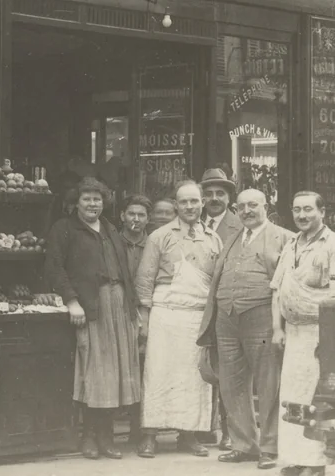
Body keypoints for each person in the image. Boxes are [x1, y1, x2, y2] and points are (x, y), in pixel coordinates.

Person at [45, 177, 140, 460]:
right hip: (91, 305)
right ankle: (89, 436)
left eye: (97, 199)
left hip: (118, 305)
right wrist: (72, 301)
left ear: (104, 202)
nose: (92, 204)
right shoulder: (64, 229)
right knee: (94, 373)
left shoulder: (111, 229)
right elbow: (54, 267)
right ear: (77, 202)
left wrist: (132, 308)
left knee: (115, 375)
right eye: (86, 198)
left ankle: (107, 436)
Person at [198, 188, 294, 470]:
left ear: (266, 206)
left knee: (268, 384)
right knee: (231, 383)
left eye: (253, 205)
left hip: (262, 316)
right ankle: (244, 445)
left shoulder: (284, 237)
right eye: (241, 207)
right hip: (227, 319)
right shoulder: (231, 237)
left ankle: (270, 448)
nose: (247, 211)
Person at [135, 180, 223, 458]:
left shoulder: (212, 238)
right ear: (176, 205)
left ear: (202, 203)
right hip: (165, 315)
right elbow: (144, 281)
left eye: (194, 201)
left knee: (193, 378)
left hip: (197, 317)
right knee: (158, 374)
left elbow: (216, 283)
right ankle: (149, 436)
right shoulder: (159, 236)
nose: (189, 206)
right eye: (183, 202)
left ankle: (189, 435)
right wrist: (144, 322)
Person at [271, 191, 335, 476]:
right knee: (292, 396)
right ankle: (296, 458)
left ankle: (316, 463)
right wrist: (277, 328)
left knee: (316, 398)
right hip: (293, 333)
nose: (302, 216)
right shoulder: (291, 244)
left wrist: (328, 336)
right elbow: (277, 290)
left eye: (308, 210)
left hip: (320, 332)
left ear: (322, 212)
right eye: (297, 210)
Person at [200, 167, 242, 450]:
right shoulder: (193, 220)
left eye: (220, 193)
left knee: (228, 369)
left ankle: (229, 431)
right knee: (202, 368)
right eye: (209, 193)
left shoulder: (239, 225)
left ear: (229, 198)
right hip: (197, 305)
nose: (214, 198)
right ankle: (201, 429)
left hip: (226, 305)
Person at [118, 194, 152, 446]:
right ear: (123, 216)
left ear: (147, 219)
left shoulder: (153, 244)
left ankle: (137, 430)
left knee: (141, 369)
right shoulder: (112, 242)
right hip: (117, 310)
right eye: (131, 214)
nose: (136, 219)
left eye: (141, 215)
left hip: (144, 312)